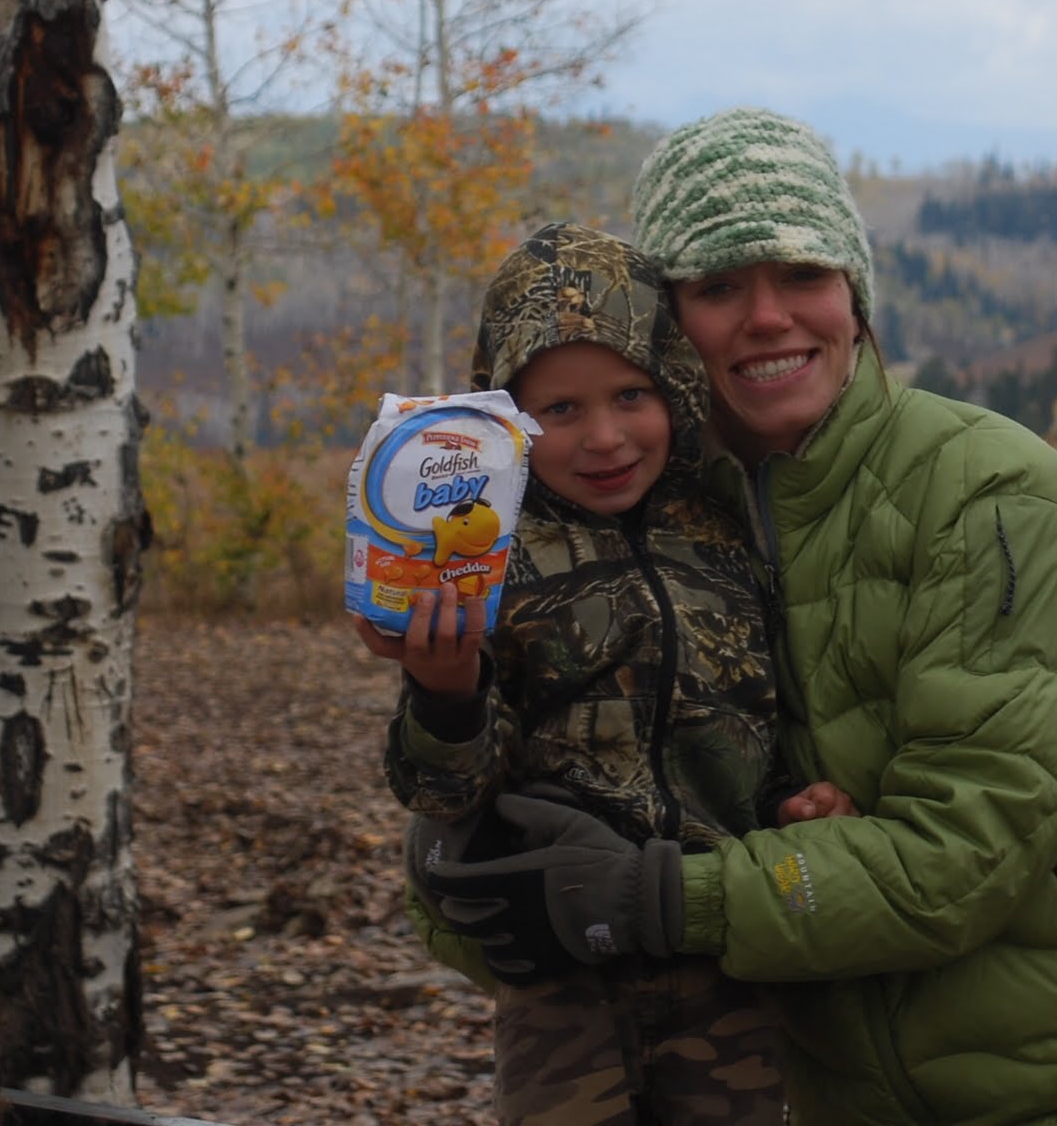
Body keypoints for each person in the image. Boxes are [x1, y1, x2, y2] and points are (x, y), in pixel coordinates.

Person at [416, 112, 1057, 1126]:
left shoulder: (988, 496)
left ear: (855, 296)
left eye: (802, 274)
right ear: (664, 330)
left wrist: (653, 898)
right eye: (716, 287)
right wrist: (461, 848)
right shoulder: (653, 535)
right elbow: (557, 876)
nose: (767, 317)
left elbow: (969, 850)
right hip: (867, 1089)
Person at [355, 222, 854, 1125]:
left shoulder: (725, 535)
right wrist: (446, 690)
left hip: (723, 953)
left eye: (633, 394)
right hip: (560, 973)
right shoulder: (483, 563)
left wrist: (790, 801)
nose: (606, 437)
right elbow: (441, 789)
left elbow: (756, 713)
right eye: (561, 411)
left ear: (675, 385)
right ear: (504, 421)